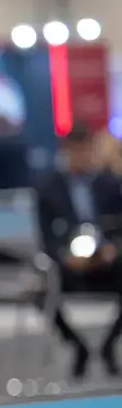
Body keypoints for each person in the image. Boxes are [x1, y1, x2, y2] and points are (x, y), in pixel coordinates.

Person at [34, 123, 122, 378]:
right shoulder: (48, 189)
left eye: (88, 151)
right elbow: (46, 237)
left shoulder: (109, 184)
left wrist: (111, 249)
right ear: (67, 151)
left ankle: (108, 347)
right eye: (78, 151)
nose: (84, 157)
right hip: (68, 265)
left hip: (106, 262)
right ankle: (79, 347)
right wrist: (65, 256)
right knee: (42, 289)